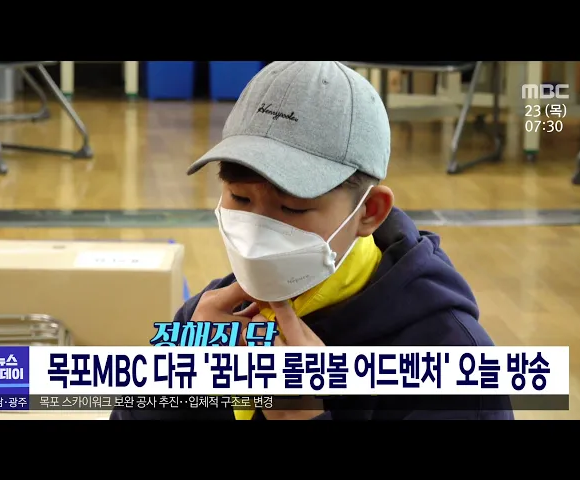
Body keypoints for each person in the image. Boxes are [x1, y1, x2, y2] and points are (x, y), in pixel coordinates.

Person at [111, 61, 514, 421]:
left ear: (369, 211)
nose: (255, 236)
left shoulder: (453, 365)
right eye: (240, 199)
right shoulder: (209, 317)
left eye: (292, 208)